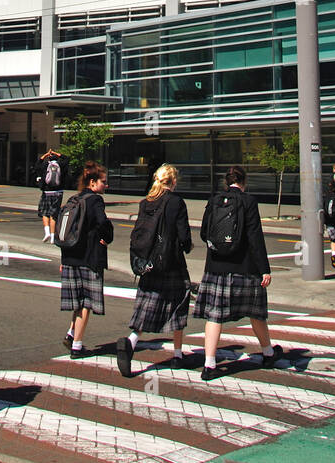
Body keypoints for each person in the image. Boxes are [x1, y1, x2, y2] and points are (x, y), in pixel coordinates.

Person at [193, 165, 282, 382]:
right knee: (255, 313)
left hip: (216, 268)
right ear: (244, 182)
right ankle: (268, 352)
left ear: (226, 182)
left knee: (214, 316)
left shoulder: (214, 200)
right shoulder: (248, 201)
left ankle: (209, 364)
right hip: (244, 268)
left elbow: (204, 232)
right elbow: (255, 237)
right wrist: (264, 270)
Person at [116, 164, 193, 377]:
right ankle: (177, 354)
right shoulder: (176, 202)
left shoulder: (146, 202)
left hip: (148, 264)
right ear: (173, 181)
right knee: (179, 304)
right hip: (171, 263)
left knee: (146, 306)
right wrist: (187, 246)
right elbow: (184, 235)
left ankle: (131, 341)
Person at [60, 161, 113, 359]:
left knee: (78, 301)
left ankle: (71, 333)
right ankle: (77, 346)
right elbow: (103, 223)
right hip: (88, 257)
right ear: (92, 182)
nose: (106, 186)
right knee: (86, 303)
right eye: (103, 182)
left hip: (70, 256)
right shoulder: (95, 200)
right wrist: (107, 238)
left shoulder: (74, 198)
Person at [35, 147, 69, 244]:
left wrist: (45, 155)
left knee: (45, 213)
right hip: (58, 193)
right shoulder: (61, 165)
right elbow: (67, 158)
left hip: (47, 192)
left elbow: (37, 165)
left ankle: (47, 233)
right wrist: (57, 153)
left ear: (49, 159)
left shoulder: (45, 165)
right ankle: (53, 237)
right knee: (54, 215)